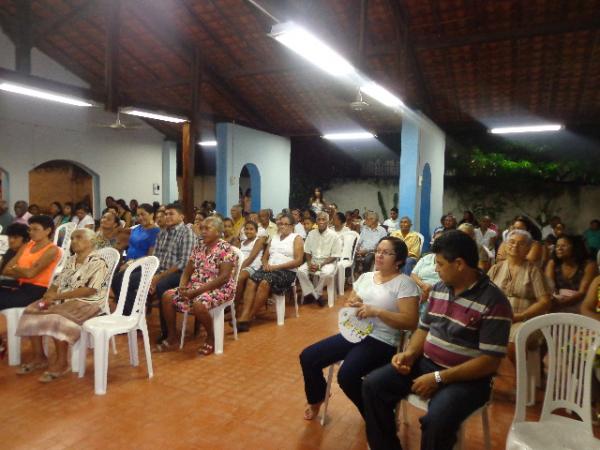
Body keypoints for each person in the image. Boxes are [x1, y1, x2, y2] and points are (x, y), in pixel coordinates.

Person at [361, 230, 513, 450]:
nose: (435, 269)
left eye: (440, 264)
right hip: (426, 364)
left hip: (468, 380)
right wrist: (410, 353)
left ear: (459, 264)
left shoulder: (494, 302)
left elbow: (490, 361)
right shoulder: (440, 290)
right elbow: (423, 328)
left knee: (437, 420)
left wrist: (439, 378)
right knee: (373, 385)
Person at [300, 237, 419, 420]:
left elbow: (410, 321)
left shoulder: (404, 283)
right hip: (355, 332)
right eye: (378, 251)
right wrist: (353, 304)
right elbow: (350, 303)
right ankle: (317, 398)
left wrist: (377, 312)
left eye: (386, 253)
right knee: (308, 357)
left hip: (382, 340)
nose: (379, 255)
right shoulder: (365, 277)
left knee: (347, 376)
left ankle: (375, 416)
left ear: (399, 260)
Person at [15, 228, 108, 381]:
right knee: (32, 310)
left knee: (56, 317)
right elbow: (57, 282)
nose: (74, 241)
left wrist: (57, 296)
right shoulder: (72, 260)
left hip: (86, 303)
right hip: (63, 299)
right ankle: (39, 357)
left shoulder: (98, 262)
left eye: (78, 237)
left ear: (91, 242)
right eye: (72, 238)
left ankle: (62, 362)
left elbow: (88, 291)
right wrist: (49, 294)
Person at [112, 204, 193, 341]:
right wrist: (150, 274)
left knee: (161, 286)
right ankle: (131, 318)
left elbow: (183, 262)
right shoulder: (163, 233)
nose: (167, 217)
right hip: (158, 271)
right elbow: (154, 258)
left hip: (179, 274)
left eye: (171, 214)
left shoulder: (187, 234)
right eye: (165, 214)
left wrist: (157, 278)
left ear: (181, 216)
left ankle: (167, 332)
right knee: (122, 278)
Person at [159, 217, 238, 355]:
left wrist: (197, 292)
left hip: (220, 287)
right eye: (201, 228)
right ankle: (172, 336)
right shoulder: (199, 247)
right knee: (167, 296)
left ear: (219, 232)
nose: (203, 231)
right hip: (196, 285)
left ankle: (211, 338)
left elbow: (224, 277)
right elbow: (187, 271)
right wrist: (183, 286)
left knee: (199, 304)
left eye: (207, 228)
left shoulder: (226, 249)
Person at [488, 230, 551, 361]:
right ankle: (489, 375)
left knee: (514, 338)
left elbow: (545, 302)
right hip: (498, 318)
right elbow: (484, 294)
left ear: (528, 248)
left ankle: (514, 379)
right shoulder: (496, 268)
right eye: (511, 242)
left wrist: (521, 316)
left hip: (526, 321)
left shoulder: (533, 270)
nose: (515, 246)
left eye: (521, 244)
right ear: (505, 245)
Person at [237, 213, 303, 331]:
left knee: (264, 282)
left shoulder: (296, 238)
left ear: (292, 226)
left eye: (285, 224)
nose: (282, 226)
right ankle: (244, 315)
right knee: (251, 281)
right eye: (280, 224)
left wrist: (277, 267)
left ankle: (249, 317)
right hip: (269, 269)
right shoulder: (274, 237)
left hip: (286, 272)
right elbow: (265, 256)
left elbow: (298, 261)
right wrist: (265, 264)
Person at [0, 215, 60, 310]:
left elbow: (30, 274)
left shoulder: (52, 250)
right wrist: (24, 271)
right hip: (20, 286)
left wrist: (15, 268)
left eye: (35, 229)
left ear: (48, 231)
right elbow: (6, 270)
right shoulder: (27, 245)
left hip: (37, 291)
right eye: (30, 229)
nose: (31, 232)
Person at [296, 212, 342, 307]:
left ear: (328, 222)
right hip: (313, 261)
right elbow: (307, 252)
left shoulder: (334, 236)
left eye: (323, 219)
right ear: (316, 221)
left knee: (326, 273)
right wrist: (309, 263)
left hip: (328, 262)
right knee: (300, 271)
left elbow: (334, 256)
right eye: (319, 219)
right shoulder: (311, 234)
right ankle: (313, 294)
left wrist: (320, 265)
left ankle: (316, 293)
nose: (321, 222)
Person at [545, 234, 597, 313]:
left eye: (564, 245)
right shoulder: (553, 263)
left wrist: (561, 303)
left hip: (582, 303)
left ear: (575, 248)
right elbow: (549, 288)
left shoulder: (589, 265)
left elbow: (582, 293)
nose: (559, 248)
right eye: (557, 246)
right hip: (557, 301)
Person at [410, 230, 444, 317]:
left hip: (438, 293)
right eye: (435, 240)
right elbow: (413, 274)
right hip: (419, 290)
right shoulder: (427, 257)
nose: (437, 243)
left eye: (440, 241)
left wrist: (429, 289)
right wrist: (423, 286)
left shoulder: (449, 261)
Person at [234, 221, 266, 313]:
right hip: (242, 266)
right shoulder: (242, 242)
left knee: (239, 278)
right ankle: (228, 305)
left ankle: (235, 308)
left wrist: (238, 269)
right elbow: (236, 256)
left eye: (251, 229)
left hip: (253, 267)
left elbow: (251, 257)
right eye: (246, 229)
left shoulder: (259, 240)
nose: (248, 231)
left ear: (256, 231)